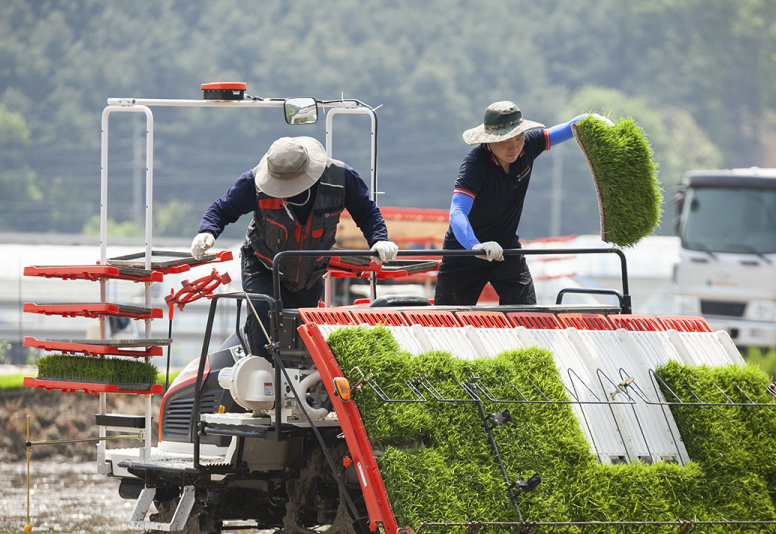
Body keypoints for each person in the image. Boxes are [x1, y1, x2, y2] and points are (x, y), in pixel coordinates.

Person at [191, 136, 398, 355]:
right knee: (264, 312)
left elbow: (367, 211)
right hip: (264, 265)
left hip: (309, 273)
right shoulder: (253, 183)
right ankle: (262, 376)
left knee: (300, 333)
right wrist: (207, 232)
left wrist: (379, 239)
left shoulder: (340, 178)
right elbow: (221, 210)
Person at [434, 101, 608, 306]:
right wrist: (475, 246)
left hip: (507, 249)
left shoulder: (528, 146)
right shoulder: (475, 165)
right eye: (506, 141)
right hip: (465, 253)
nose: (514, 147)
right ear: (489, 140)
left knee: (526, 314)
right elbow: (458, 211)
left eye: (519, 138)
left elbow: (567, 128)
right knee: (447, 319)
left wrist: (590, 120)